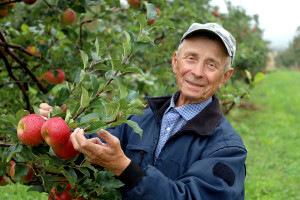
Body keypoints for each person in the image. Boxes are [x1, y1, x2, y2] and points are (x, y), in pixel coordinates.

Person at [40, 23, 247, 200]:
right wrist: (60, 129)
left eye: (211, 65)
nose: (197, 72)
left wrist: (125, 169)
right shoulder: (140, 118)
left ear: (226, 76)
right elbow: (93, 150)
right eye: (191, 58)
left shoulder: (227, 149)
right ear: (175, 61)